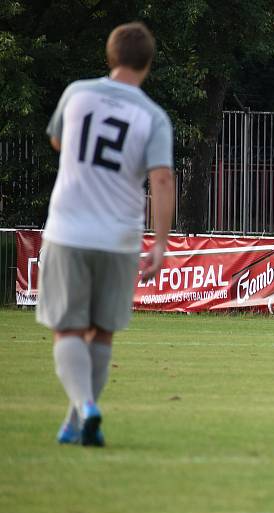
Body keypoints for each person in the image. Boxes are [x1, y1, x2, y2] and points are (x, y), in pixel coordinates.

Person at [37, 22, 174, 446]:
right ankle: (78, 418)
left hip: (68, 228)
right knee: (102, 332)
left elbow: (58, 141)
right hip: (119, 235)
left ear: (110, 56)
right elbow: (163, 180)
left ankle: (85, 409)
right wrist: (162, 243)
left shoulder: (78, 93)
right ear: (148, 63)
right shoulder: (152, 116)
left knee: (68, 330)